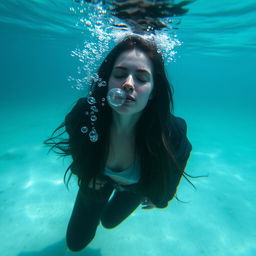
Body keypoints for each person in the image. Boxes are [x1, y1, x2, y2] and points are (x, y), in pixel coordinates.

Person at [45, 35, 192, 252]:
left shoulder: (171, 132)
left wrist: (161, 195)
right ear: (106, 82)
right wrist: (84, 172)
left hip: (136, 188)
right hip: (97, 179)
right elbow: (77, 143)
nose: (128, 84)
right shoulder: (85, 115)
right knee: (76, 243)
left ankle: (125, 197)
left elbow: (180, 158)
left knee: (110, 221)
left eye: (142, 78)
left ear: (153, 92)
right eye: (120, 74)